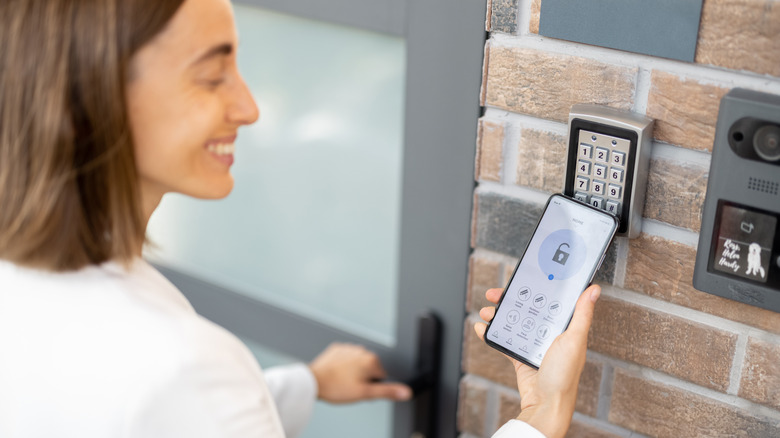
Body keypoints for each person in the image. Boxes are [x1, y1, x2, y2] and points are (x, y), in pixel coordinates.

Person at [0, 0, 597, 437]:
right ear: (87, 96)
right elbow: (177, 399)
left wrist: (302, 384)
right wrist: (540, 415)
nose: (250, 108)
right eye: (212, 76)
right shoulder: (179, 366)